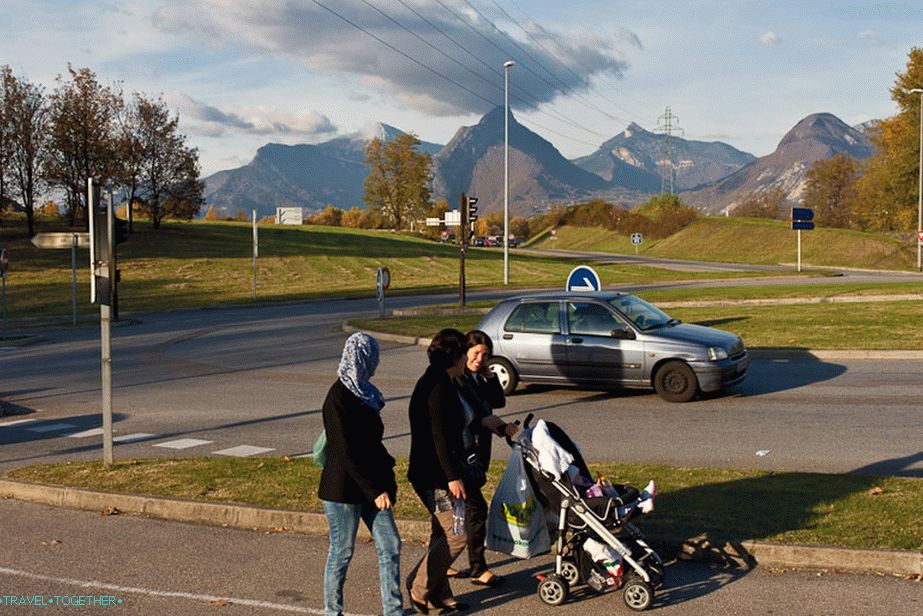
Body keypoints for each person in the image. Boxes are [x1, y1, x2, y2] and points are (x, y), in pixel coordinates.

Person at [318, 332, 403, 616]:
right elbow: (345, 451)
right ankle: (333, 612)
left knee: (390, 545)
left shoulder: (365, 393)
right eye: (372, 360)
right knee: (341, 553)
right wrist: (374, 490)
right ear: (360, 359)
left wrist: (386, 482)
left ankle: (393, 610)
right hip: (343, 488)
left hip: (372, 485)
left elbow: (372, 446)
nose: (376, 366)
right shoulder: (338, 398)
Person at [405, 328, 472, 614]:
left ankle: (439, 593)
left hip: (440, 473)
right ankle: (418, 587)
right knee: (457, 535)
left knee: (444, 534)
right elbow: (438, 437)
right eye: (465, 353)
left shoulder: (442, 381)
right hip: (435, 478)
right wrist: (452, 477)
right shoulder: (437, 388)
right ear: (455, 356)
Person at [448, 330, 519, 587]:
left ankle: (440, 561)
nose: (480, 358)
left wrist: (488, 375)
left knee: (454, 512)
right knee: (476, 510)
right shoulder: (458, 381)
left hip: (478, 452)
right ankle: (477, 567)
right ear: (464, 352)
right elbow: (478, 416)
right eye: (476, 353)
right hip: (463, 454)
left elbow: (497, 401)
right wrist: (500, 427)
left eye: (485, 354)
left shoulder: (477, 377)